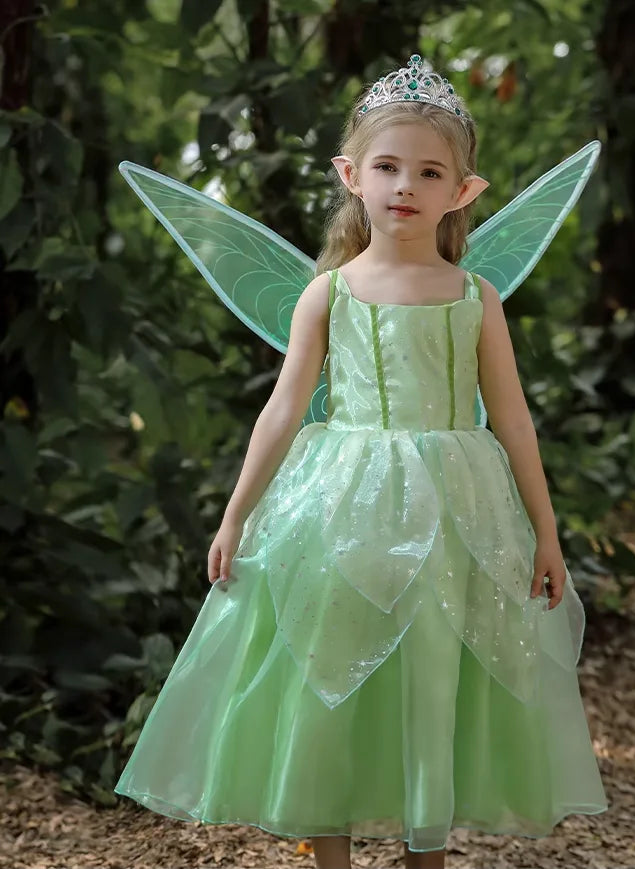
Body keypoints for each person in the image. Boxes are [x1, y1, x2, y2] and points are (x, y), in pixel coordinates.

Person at [114, 55, 609, 869]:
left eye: (428, 171)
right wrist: (237, 512)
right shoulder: (329, 293)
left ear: (464, 192)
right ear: (351, 174)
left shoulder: (474, 298)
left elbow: (513, 419)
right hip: (340, 503)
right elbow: (283, 408)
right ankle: (332, 853)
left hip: (458, 507)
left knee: (435, 672)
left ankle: (426, 852)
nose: (404, 185)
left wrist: (545, 535)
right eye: (386, 166)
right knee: (329, 667)